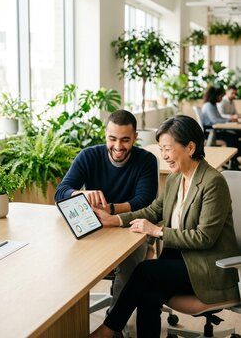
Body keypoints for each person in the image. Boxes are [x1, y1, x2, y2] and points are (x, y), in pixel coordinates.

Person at [90, 115, 240, 338]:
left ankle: (108, 329)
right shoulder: (175, 179)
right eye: (161, 149)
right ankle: (113, 330)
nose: (164, 156)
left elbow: (204, 238)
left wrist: (157, 231)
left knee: (144, 271)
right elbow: (153, 211)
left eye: (167, 149)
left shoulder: (212, 182)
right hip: (180, 262)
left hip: (208, 269)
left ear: (190, 147)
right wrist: (116, 219)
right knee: (148, 294)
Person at [55, 109, 158, 310]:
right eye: (112, 139)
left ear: (135, 137)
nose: (118, 146)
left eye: (125, 140)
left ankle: (114, 325)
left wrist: (110, 210)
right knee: (64, 259)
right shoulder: (88, 156)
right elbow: (60, 193)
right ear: (105, 135)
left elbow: (144, 201)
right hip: (94, 228)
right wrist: (80, 195)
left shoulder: (146, 160)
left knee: (131, 264)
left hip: (131, 228)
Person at [201, 85, 241, 166]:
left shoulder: (213, 105)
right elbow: (215, 121)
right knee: (233, 136)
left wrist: (229, 119)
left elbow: (219, 118)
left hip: (216, 130)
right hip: (211, 132)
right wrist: (229, 119)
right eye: (221, 96)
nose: (222, 98)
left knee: (237, 134)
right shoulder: (208, 106)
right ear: (215, 96)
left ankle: (233, 160)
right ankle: (232, 160)